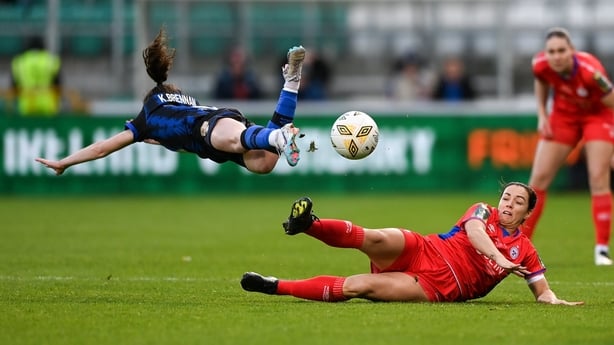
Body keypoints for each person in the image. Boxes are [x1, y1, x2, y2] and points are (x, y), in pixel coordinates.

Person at [241, 182, 583, 305]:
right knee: (374, 237)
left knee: (360, 287)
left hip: (436, 285)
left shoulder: (525, 250)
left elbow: (541, 289)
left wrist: (553, 301)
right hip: (426, 248)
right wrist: (499, 258)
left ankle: (274, 286)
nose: (507, 204)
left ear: (527, 213)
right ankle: (307, 225)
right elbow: (476, 233)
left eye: (517, 202)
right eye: (506, 197)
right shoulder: (483, 210)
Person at [35, 27, 305, 175]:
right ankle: (291, 84)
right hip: (220, 125)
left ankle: (280, 136)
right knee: (264, 164)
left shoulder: (148, 117)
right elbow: (180, 139)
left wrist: (65, 162)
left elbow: (102, 148)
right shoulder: (183, 101)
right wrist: (163, 140)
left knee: (249, 140)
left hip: (212, 129)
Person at [522, 27, 614, 266]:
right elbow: (541, 82)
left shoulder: (591, 73)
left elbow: (611, 102)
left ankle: (601, 250)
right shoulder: (540, 65)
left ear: (572, 51)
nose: (557, 56)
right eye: (551, 51)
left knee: (597, 176)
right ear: (546, 53)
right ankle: (519, 244)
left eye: (562, 50)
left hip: (598, 115)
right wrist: (542, 113)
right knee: (538, 179)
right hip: (564, 116)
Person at [9, 36, 62, 116]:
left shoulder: (19, 61)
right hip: (47, 105)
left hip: (27, 105)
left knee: (27, 127)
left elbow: (13, 85)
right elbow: (58, 83)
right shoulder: (51, 60)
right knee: (47, 127)